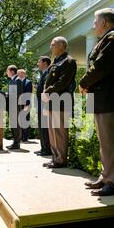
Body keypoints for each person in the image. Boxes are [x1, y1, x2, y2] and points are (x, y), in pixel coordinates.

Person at [79, 8, 114, 196]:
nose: (93, 25)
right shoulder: (105, 40)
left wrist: (83, 82)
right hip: (103, 99)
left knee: (113, 143)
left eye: (95, 21)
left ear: (104, 23)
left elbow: (100, 67)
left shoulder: (113, 39)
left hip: (111, 99)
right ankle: (106, 176)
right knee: (106, 143)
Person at [42, 37, 77, 169]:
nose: (51, 46)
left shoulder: (68, 61)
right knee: (53, 131)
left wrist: (48, 90)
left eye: (53, 44)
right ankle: (55, 157)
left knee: (60, 132)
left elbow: (63, 82)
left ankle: (61, 159)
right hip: (52, 101)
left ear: (62, 45)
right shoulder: (56, 62)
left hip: (61, 101)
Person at [35, 56, 52, 156]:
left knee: (45, 126)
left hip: (45, 103)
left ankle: (47, 149)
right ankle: (43, 148)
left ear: (45, 63)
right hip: (41, 103)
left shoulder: (48, 72)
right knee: (41, 126)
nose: (38, 64)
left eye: (39, 62)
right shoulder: (43, 73)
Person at [6, 65, 24, 150]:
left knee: (16, 124)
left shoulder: (17, 80)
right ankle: (14, 142)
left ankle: (17, 143)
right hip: (12, 105)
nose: (6, 73)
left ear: (12, 71)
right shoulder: (12, 80)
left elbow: (19, 94)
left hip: (16, 105)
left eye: (7, 71)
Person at [17, 69, 32, 142]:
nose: (17, 75)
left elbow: (28, 94)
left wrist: (26, 105)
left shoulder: (28, 82)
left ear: (23, 74)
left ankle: (25, 138)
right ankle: (20, 136)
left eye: (18, 73)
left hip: (26, 104)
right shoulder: (18, 82)